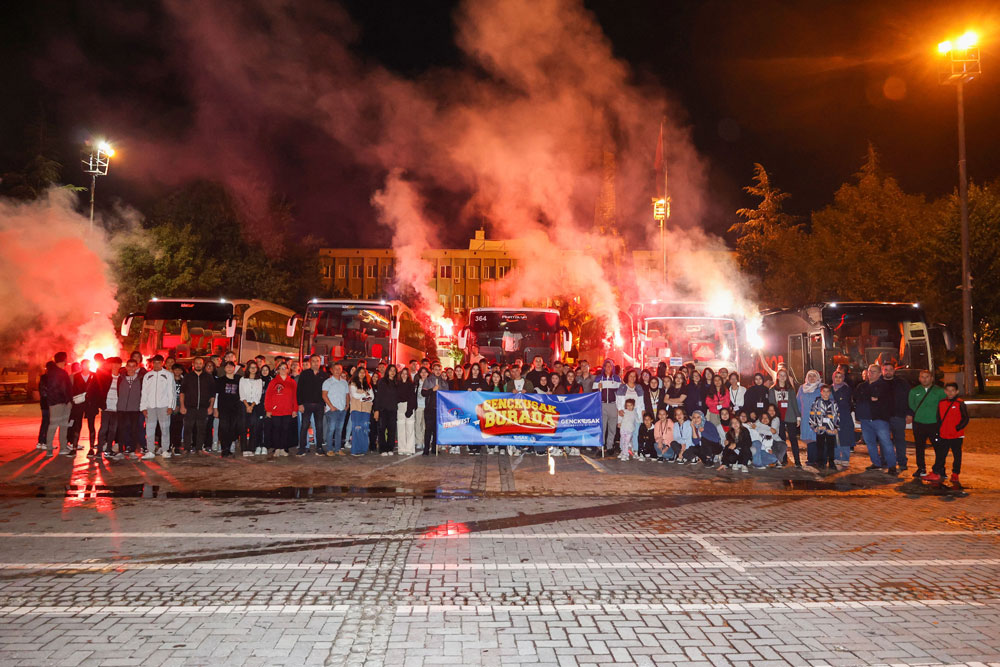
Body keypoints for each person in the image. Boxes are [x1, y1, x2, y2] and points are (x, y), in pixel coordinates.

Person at [855, 363, 897, 475]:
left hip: (879, 419)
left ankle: (892, 465)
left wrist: (876, 400)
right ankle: (876, 463)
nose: (870, 373)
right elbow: (858, 399)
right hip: (865, 419)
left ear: (879, 374)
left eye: (873, 371)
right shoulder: (861, 386)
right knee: (870, 443)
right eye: (869, 371)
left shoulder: (884, 386)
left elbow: (887, 402)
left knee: (886, 442)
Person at [923, 382, 968, 484]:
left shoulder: (960, 403)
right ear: (945, 391)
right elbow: (938, 418)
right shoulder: (941, 403)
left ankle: (955, 474)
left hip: (957, 435)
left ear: (957, 391)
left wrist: (957, 428)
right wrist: (938, 431)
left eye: (952, 390)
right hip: (944, 434)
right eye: (948, 390)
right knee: (941, 455)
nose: (950, 393)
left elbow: (965, 418)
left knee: (957, 455)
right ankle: (936, 472)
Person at [908, 370, 946, 478]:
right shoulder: (914, 391)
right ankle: (921, 468)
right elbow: (912, 405)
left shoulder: (939, 391)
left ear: (932, 378)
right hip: (919, 423)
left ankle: (940, 469)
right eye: (922, 377)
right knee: (919, 448)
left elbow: (943, 405)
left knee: (938, 447)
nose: (924, 379)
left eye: (927, 377)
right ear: (919, 378)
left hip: (934, 424)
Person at [179, 357, 217, 455]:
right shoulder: (187, 376)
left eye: (200, 363)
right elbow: (182, 392)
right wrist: (182, 406)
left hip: (203, 408)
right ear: (193, 364)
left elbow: (213, 394)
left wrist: (211, 406)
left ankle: (199, 448)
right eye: (196, 363)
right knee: (188, 429)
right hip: (189, 407)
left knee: (202, 429)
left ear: (203, 365)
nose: (198, 365)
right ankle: (187, 448)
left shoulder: (208, 377)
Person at [140, 354, 175, 459]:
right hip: (150, 407)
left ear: (162, 363)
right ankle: (150, 451)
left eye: (158, 362)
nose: (156, 364)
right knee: (149, 429)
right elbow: (144, 392)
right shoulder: (147, 376)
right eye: (154, 362)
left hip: (163, 406)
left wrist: (170, 406)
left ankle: (165, 450)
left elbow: (171, 391)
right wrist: (143, 407)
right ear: (152, 363)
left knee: (165, 429)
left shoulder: (168, 375)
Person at [881, 361, 912, 471]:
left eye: (890, 369)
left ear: (894, 371)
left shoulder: (902, 383)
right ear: (882, 370)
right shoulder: (878, 383)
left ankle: (902, 462)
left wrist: (909, 413)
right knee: (883, 441)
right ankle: (885, 461)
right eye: (886, 369)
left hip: (898, 416)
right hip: (882, 418)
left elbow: (910, 398)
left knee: (900, 441)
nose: (888, 372)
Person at [768, 368, 802, 467]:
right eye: (780, 375)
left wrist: (798, 417)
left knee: (793, 439)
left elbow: (794, 404)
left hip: (790, 416)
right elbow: (771, 405)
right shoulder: (772, 389)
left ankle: (797, 461)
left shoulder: (790, 389)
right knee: (781, 440)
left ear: (787, 377)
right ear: (777, 376)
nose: (782, 377)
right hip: (779, 418)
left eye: (784, 375)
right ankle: (784, 459)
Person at [42, 352, 74, 457]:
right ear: (64, 360)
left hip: (55, 402)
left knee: (55, 425)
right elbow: (63, 389)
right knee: (60, 425)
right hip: (60, 402)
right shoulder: (60, 373)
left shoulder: (51, 372)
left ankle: (52, 448)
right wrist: (68, 400)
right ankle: (59, 447)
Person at [264, 362, 297, 457]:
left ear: (288, 370)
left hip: (287, 410)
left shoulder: (292, 382)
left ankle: (283, 448)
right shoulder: (273, 382)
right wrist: (268, 409)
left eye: (285, 368)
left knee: (285, 429)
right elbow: (268, 396)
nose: (283, 370)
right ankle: (277, 448)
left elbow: (295, 396)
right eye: (281, 368)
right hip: (276, 410)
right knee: (276, 429)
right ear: (278, 370)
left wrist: (294, 409)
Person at [296, 355, 328, 455]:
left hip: (319, 405)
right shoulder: (304, 374)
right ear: (310, 362)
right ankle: (302, 448)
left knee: (319, 426)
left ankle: (319, 447)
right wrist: (300, 404)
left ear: (320, 362)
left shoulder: (324, 375)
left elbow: (326, 391)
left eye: (317, 361)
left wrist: (324, 404)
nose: (315, 363)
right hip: (306, 404)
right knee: (304, 426)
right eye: (313, 361)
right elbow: (299, 390)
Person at [116, 358, 144, 459]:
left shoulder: (140, 379)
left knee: (134, 430)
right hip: (122, 408)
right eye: (129, 366)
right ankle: (120, 451)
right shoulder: (121, 378)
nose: (131, 368)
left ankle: (132, 450)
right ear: (126, 367)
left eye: (133, 366)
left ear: (137, 367)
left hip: (135, 409)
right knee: (121, 430)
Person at [68, 360, 98, 451]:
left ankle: (91, 447)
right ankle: (74, 446)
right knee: (77, 425)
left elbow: (98, 389)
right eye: (83, 365)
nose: (85, 367)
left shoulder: (95, 375)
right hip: (78, 403)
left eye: (87, 365)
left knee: (91, 425)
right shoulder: (76, 376)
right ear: (81, 366)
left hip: (91, 404)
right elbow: (72, 389)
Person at [796, 369, 824, 468]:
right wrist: (799, 415)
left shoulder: (821, 388)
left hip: (818, 417)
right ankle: (811, 459)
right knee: (809, 439)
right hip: (806, 417)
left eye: (814, 376)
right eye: (810, 376)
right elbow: (798, 402)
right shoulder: (802, 388)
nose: (812, 378)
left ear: (817, 377)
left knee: (818, 438)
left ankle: (819, 459)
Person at [808, 384, 840, 470]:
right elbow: (812, 414)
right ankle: (821, 462)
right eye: (824, 391)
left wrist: (836, 427)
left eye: (827, 392)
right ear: (821, 392)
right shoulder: (816, 403)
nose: (826, 393)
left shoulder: (833, 403)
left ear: (830, 393)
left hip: (831, 429)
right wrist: (814, 426)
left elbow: (837, 416)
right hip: (820, 429)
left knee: (831, 446)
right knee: (820, 446)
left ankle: (831, 462)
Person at [320, 363, 349, 456]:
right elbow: (324, 395)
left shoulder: (344, 382)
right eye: (335, 369)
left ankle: (338, 449)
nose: (337, 371)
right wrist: (331, 406)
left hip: (342, 409)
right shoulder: (327, 382)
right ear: (331, 370)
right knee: (331, 429)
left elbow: (347, 394)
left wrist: (347, 405)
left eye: (339, 369)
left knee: (339, 430)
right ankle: (329, 449)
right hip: (332, 410)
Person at [616, 369, 645, 456]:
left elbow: (641, 401)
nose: (632, 378)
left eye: (634, 376)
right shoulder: (622, 387)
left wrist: (643, 410)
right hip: (625, 412)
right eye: (630, 376)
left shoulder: (638, 387)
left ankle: (635, 450)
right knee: (624, 432)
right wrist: (620, 410)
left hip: (636, 412)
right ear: (627, 377)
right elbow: (618, 401)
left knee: (636, 432)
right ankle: (623, 450)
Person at [422, 362, 449, 455]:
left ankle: (434, 448)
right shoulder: (428, 380)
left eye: (439, 370)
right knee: (428, 429)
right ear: (432, 370)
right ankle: (426, 449)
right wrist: (432, 390)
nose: (438, 371)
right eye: (436, 369)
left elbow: (447, 396)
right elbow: (423, 393)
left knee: (436, 430)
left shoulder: (444, 382)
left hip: (439, 409)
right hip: (430, 408)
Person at [240, 361, 265, 456]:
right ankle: (244, 448)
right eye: (251, 367)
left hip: (255, 405)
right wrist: (247, 406)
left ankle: (251, 448)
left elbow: (258, 395)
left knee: (253, 426)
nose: (253, 369)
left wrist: (252, 406)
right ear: (248, 368)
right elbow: (241, 393)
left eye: (255, 367)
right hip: (244, 404)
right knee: (243, 426)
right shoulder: (243, 379)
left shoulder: (259, 380)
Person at [830, 369, 855, 468]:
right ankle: (836, 457)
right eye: (836, 376)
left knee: (845, 437)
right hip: (832, 416)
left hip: (844, 415)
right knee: (834, 438)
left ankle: (845, 458)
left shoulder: (846, 389)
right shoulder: (830, 388)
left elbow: (846, 403)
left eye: (840, 377)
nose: (838, 379)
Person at [373, 364, 399, 456]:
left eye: (394, 371)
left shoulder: (397, 383)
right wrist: (376, 410)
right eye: (391, 370)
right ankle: (382, 449)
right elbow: (378, 397)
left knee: (392, 430)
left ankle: (390, 448)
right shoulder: (382, 381)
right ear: (387, 371)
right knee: (382, 429)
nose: (392, 372)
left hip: (393, 410)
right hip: (383, 409)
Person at [596, 359, 621, 455]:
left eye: (610, 366)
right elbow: (594, 392)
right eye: (606, 366)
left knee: (612, 428)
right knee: (602, 427)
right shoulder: (599, 378)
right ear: (604, 367)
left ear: (613, 367)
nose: (608, 368)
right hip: (602, 404)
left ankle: (610, 446)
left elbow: (619, 394)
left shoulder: (616, 378)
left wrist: (619, 406)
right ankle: (600, 447)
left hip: (613, 405)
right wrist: (598, 388)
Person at [395, 367, 418, 455]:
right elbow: (396, 397)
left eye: (406, 374)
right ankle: (401, 448)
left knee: (410, 428)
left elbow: (412, 397)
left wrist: (410, 409)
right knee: (401, 428)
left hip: (409, 406)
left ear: (408, 375)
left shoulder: (411, 385)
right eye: (403, 373)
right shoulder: (397, 385)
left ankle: (409, 449)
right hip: (400, 406)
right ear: (400, 375)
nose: (404, 375)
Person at [414, 366, 431, 452]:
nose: (423, 374)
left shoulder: (430, 383)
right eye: (422, 372)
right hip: (418, 406)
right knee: (417, 424)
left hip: (427, 406)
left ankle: (425, 441)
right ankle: (419, 441)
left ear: (428, 373)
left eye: (425, 372)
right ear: (419, 374)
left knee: (425, 425)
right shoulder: (417, 383)